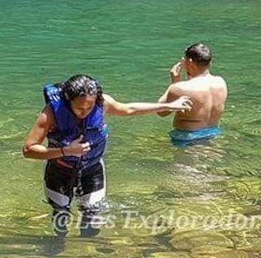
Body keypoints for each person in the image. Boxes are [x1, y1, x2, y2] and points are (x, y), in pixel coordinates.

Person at [22, 74, 192, 236]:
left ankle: (87, 249)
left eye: (90, 107)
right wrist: (66, 151)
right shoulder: (51, 112)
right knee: (61, 217)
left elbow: (130, 109)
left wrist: (169, 106)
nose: (85, 111)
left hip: (92, 169)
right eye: (80, 107)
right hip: (59, 170)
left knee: (92, 218)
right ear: (68, 100)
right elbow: (28, 149)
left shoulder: (103, 103)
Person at [158, 43, 228, 147]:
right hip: (213, 133)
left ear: (190, 62)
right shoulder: (221, 82)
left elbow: (161, 111)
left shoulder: (181, 88)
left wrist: (174, 82)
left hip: (187, 137)